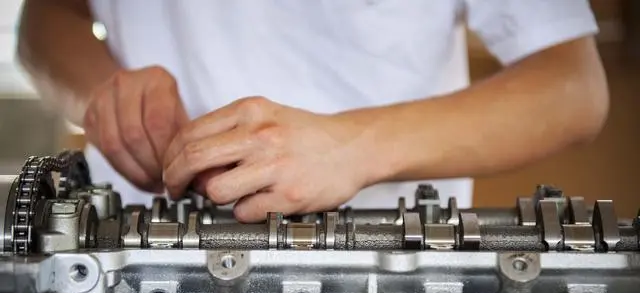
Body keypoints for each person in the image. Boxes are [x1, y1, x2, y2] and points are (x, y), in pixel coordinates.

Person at [17, 0, 608, 222]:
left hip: (393, 291)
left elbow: (573, 86)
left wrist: (354, 147)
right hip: (136, 268)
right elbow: (47, 15)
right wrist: (104, 93)